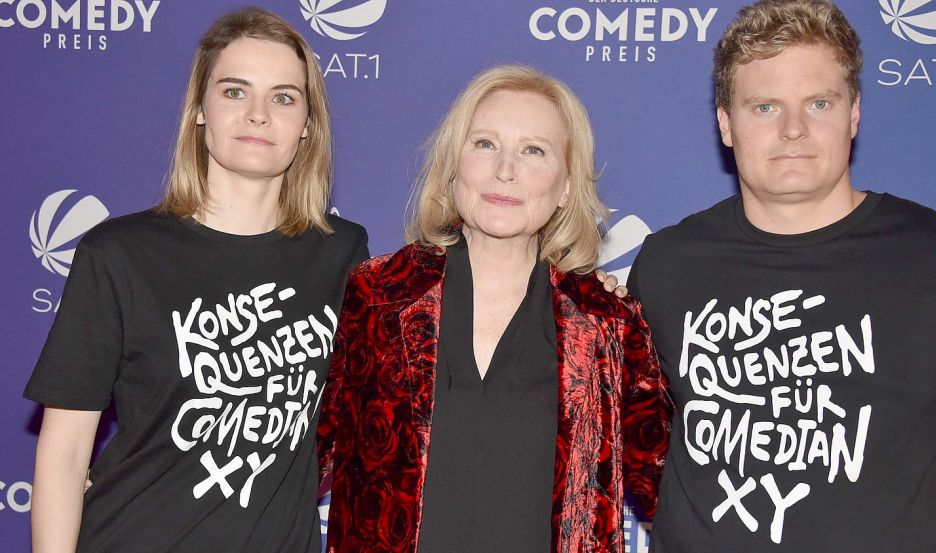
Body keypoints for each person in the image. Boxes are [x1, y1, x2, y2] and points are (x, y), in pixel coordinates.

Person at [627, 0, 936, 551]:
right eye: (765, 107)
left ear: (854, 112)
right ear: (726, 122)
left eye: (819, 102)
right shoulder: (666, 264)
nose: (794, 129)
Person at [25, 8, 368, 553]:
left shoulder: (343, 254)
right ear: (200, 110)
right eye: (235, 91)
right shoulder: (119, 255)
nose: (258, 114)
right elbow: (64, 453)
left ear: (307, 124)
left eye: (283, 97)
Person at [316, 64, 673, 553]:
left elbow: (671, 492)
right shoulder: (379, 294)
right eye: (485, 144)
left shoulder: (607, 324)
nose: (506, 169)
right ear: (453, 166)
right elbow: (303, 457)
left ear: (567, 186)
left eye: (534, 150)